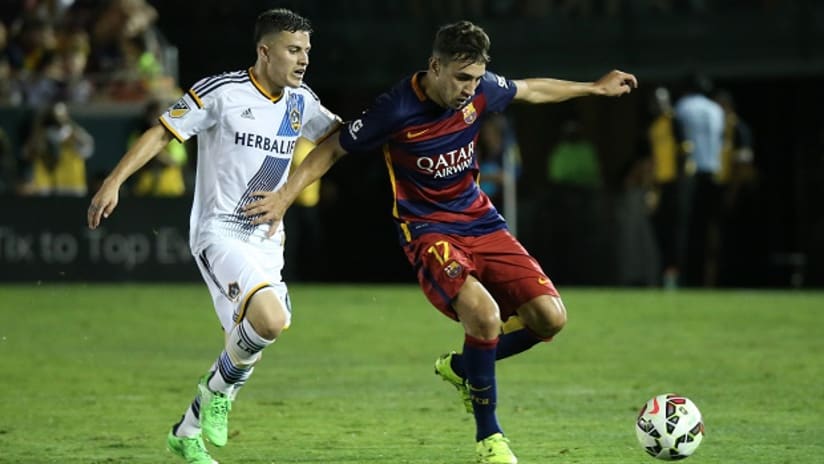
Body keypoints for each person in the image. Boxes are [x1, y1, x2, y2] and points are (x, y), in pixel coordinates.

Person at [242, 20, 636, 463]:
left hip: (481, 220)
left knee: (550, 318)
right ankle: (491, 439)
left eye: (476, 78)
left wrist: (593, 89)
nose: (470, 89)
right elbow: (332, 148)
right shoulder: (395, 109)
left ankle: (465, 368)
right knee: (484, 317)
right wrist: (283, 198)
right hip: (428, 230)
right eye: (461, 78)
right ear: (435, 66)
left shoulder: (482, 89)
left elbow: (530, 90)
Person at [86, 9, 340, 464]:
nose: (303, 60)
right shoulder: (221, 92)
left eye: (306, 51)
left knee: (250, 339)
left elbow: (337, 139)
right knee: (269, 321)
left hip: (267, 237)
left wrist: (287, 193)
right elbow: (163, 134)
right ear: (265, 51)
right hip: (220, 231)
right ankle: (217, 395)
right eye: (293, 50)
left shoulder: (302, 102)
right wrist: (114, 182)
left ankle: (186, 432)